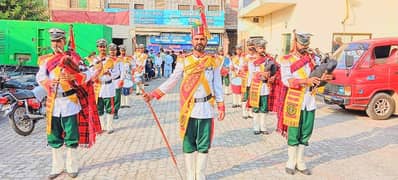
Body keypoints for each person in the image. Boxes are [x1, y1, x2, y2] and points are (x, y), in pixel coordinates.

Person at [143, 18, 225, 180]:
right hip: (189, 108)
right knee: (188, 143)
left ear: (206, 40)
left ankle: (200, 175)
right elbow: (173, 79)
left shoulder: (213, 61)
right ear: (192, 40)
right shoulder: (184, 60)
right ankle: (189, 175)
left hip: (207, 109)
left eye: (202, 39)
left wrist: (221, 105)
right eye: (197, 39)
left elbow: (217, 84)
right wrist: (153, 94)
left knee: (203, 144)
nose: (199, 41)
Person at [36, 28, 100, 179]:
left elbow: (88, 73)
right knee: (54, 137)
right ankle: (56, 167)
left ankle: (72, 167)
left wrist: (74, 76)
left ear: (64, 41)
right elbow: (40, 77)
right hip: (53, 103)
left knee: (72, 137)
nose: (56, 44)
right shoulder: (46, 60)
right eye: (53, 41)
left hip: (70, 103)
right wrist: (48, 82)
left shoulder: (74, 57)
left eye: (59, 40)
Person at [280, 32, 333, 175]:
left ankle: (301, 162)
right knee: (293, 132)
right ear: (295, 42)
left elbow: (318, 77)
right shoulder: (286, 60)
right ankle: (291, 162)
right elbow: (286, 80)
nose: (305, 46)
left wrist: (326, 78)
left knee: (306, 131)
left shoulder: (313, 58)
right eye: (302, 43)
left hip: (310, 99)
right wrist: (305, 81)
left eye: (307, 44)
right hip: (294, 99)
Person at [248, 39, 276, 135]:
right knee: (256, 109)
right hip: (256, 87)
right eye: (260, 48)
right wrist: (263, 74)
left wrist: (271, 76)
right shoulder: (252, 60)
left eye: (264, 48)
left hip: (265, 87)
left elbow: (273, 72)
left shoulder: (269, 59)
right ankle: (256, 127)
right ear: (256, 48)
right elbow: (253, 74)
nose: (262, 50)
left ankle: (263, 127)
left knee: (264, 109)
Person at [93, 39, 118, 134]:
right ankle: (101, 126)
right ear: (98, 48)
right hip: (98, 87)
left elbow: (116, 73)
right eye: (100, 47)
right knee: (99, 108)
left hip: (108, 87)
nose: (102, 48)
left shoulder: (110, 60)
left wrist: (110, 72)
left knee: (109, 107)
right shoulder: (94, 60)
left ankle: (109, 126)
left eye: (104, 47)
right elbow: (90, 72)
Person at [241, 39, 256, 119]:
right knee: (245, 96)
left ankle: (250, 111)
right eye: (249, 49)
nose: (251, 50)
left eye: (253, 48)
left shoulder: (257, 57)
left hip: (254, 80)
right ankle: (244, 111)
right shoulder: (245, 57)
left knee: (251, 96)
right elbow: (241, 67)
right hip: (246, 79)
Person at [108, 43, 123, 119]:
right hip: (109, 81)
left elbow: (122, 71)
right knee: (110, 97)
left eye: (114, 50)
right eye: (111, 50)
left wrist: (121, 80)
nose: (112, 51)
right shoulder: (106, 59)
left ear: (116, 51)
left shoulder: (119, 60)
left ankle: (116, 111)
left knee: (117, 97)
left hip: (117, 80)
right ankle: (110, 111)